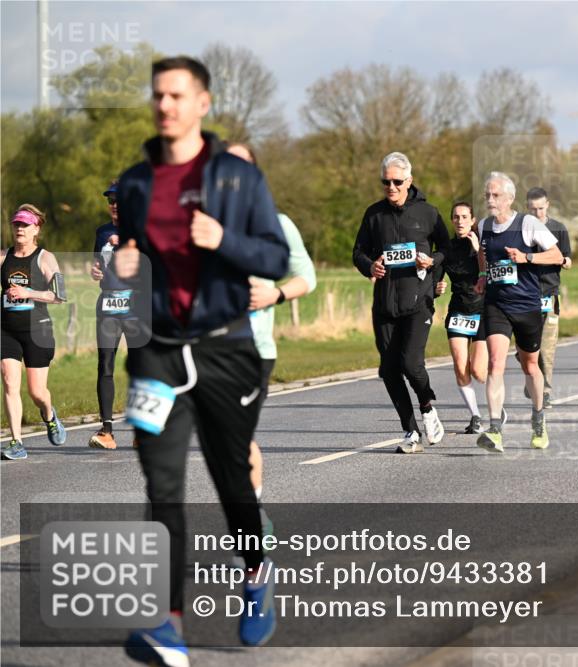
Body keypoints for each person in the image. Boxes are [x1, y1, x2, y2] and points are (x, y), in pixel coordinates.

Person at [116, 56, 289, 663]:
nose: (164, 105)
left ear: (202, 103)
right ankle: (167, 625)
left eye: (176, 95)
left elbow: (274, 258)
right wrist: (127, 267)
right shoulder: (135, 183)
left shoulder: (238, 179)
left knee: (231, 480)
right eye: (158, 95)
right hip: (158, 352)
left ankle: (257, 574)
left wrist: (224, 241)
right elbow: (135, 256)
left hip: (225, 348)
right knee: (162, 486)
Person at [227, 142, 316, 544]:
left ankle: (252, 519)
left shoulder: (276, 224)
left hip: (253, 350)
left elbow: (306, 277)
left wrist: (275, 294)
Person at [353, 151, 448, 454]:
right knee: (389, 369)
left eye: (396, 181)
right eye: (386, 182)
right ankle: (411, 431)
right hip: (385, 304)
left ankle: (427, 406)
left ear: (409, 181)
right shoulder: (374, 214)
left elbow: (446, 249)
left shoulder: (427, 213)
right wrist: (370, 266)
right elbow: (358, 252)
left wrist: (433, 264)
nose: (391, 187)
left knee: (410, 363)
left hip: (418, 301)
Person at [474, 172, 563, 452]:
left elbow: (557, 255)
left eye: (496, 195)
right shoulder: (483, 226)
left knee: (530, 366)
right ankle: (495, 429)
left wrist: (527, 257)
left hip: (526, 305)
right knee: (495, 363)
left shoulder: (527, 223)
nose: (490, 200)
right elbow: (482, 253)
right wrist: (482, 275)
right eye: (487, 195)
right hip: (496, 304)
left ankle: (538, 419)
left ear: (510, 198)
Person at [1, 205, 67, 460]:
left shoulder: (45, 258)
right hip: (6, 330)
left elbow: (59, 296)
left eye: (25, 225)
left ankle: (49, 415)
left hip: (38, 331)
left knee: (37, 392)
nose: (20, 228)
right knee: (9, 381)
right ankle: (16, 442)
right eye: (17, 224)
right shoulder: (4, 257)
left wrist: (28, 292)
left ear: (36, 229)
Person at [89, 180, 145, 450]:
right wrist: (95, 271)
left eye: (119, 200)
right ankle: (107, 431)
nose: (114, 205)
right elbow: (98, 264)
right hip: (108, 304)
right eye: (110, 201)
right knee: (105, 364)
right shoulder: (102, 232)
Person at [435, 201, 488, 434]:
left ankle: (496, 405)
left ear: (472, 220)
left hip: (483, 310)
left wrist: (478, 251)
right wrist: (436, 288)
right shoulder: (447, 248)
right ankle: (475, 416)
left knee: (478, 371)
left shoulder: (483, 244)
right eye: (456, 217)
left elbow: (493, 273)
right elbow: (436, 277)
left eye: (465, 217)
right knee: (459, 365)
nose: (460, 221)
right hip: (458, 311)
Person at [525, 187, 571, 409]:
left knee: (547, 348)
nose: (537, 213)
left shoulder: (558, 229)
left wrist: (562, 260)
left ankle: (545, 391)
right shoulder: (520, 229)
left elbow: (568, 260)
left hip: (550, 295)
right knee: (527, 348)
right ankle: (531, 372)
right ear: (527, 208)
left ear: (548, 205)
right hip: (525, 295)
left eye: (541, 209)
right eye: (533, 209)